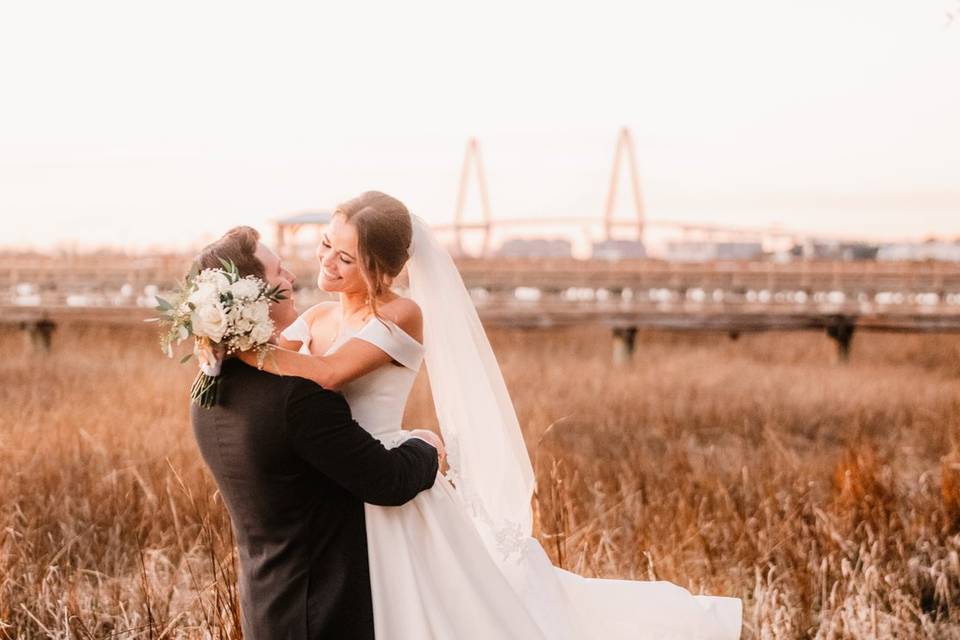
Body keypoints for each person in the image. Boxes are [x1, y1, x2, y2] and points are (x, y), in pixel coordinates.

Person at [237, 190, 743, 639]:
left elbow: (325, 373)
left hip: (389, 479)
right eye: (326, 245)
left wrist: (236, 345)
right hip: (343, 482)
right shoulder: (317, 316)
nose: (327, 263)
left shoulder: (401, 316)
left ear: (384, 270)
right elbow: (280, 380)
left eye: (346, 257)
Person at [189, 226, 443, 640]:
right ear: (253, 296)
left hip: (265, 602)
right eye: (279, 272)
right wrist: (426, 447)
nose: (292, 278)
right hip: (325, 609)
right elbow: (388, 481)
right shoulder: (298, 398)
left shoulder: (208, 389)